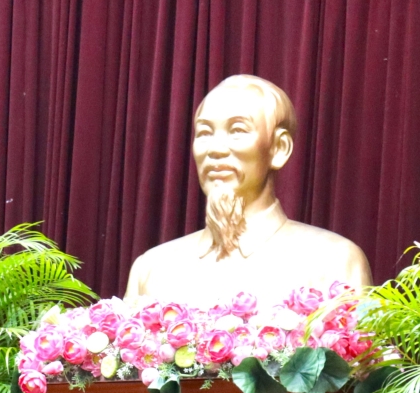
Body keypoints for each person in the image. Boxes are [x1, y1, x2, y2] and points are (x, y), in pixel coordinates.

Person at [125, 74, 371, 304]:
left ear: (279, 148)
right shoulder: (152, 269)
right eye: (204, 133)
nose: (215, 149)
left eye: (237, 131)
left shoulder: (334, 263)